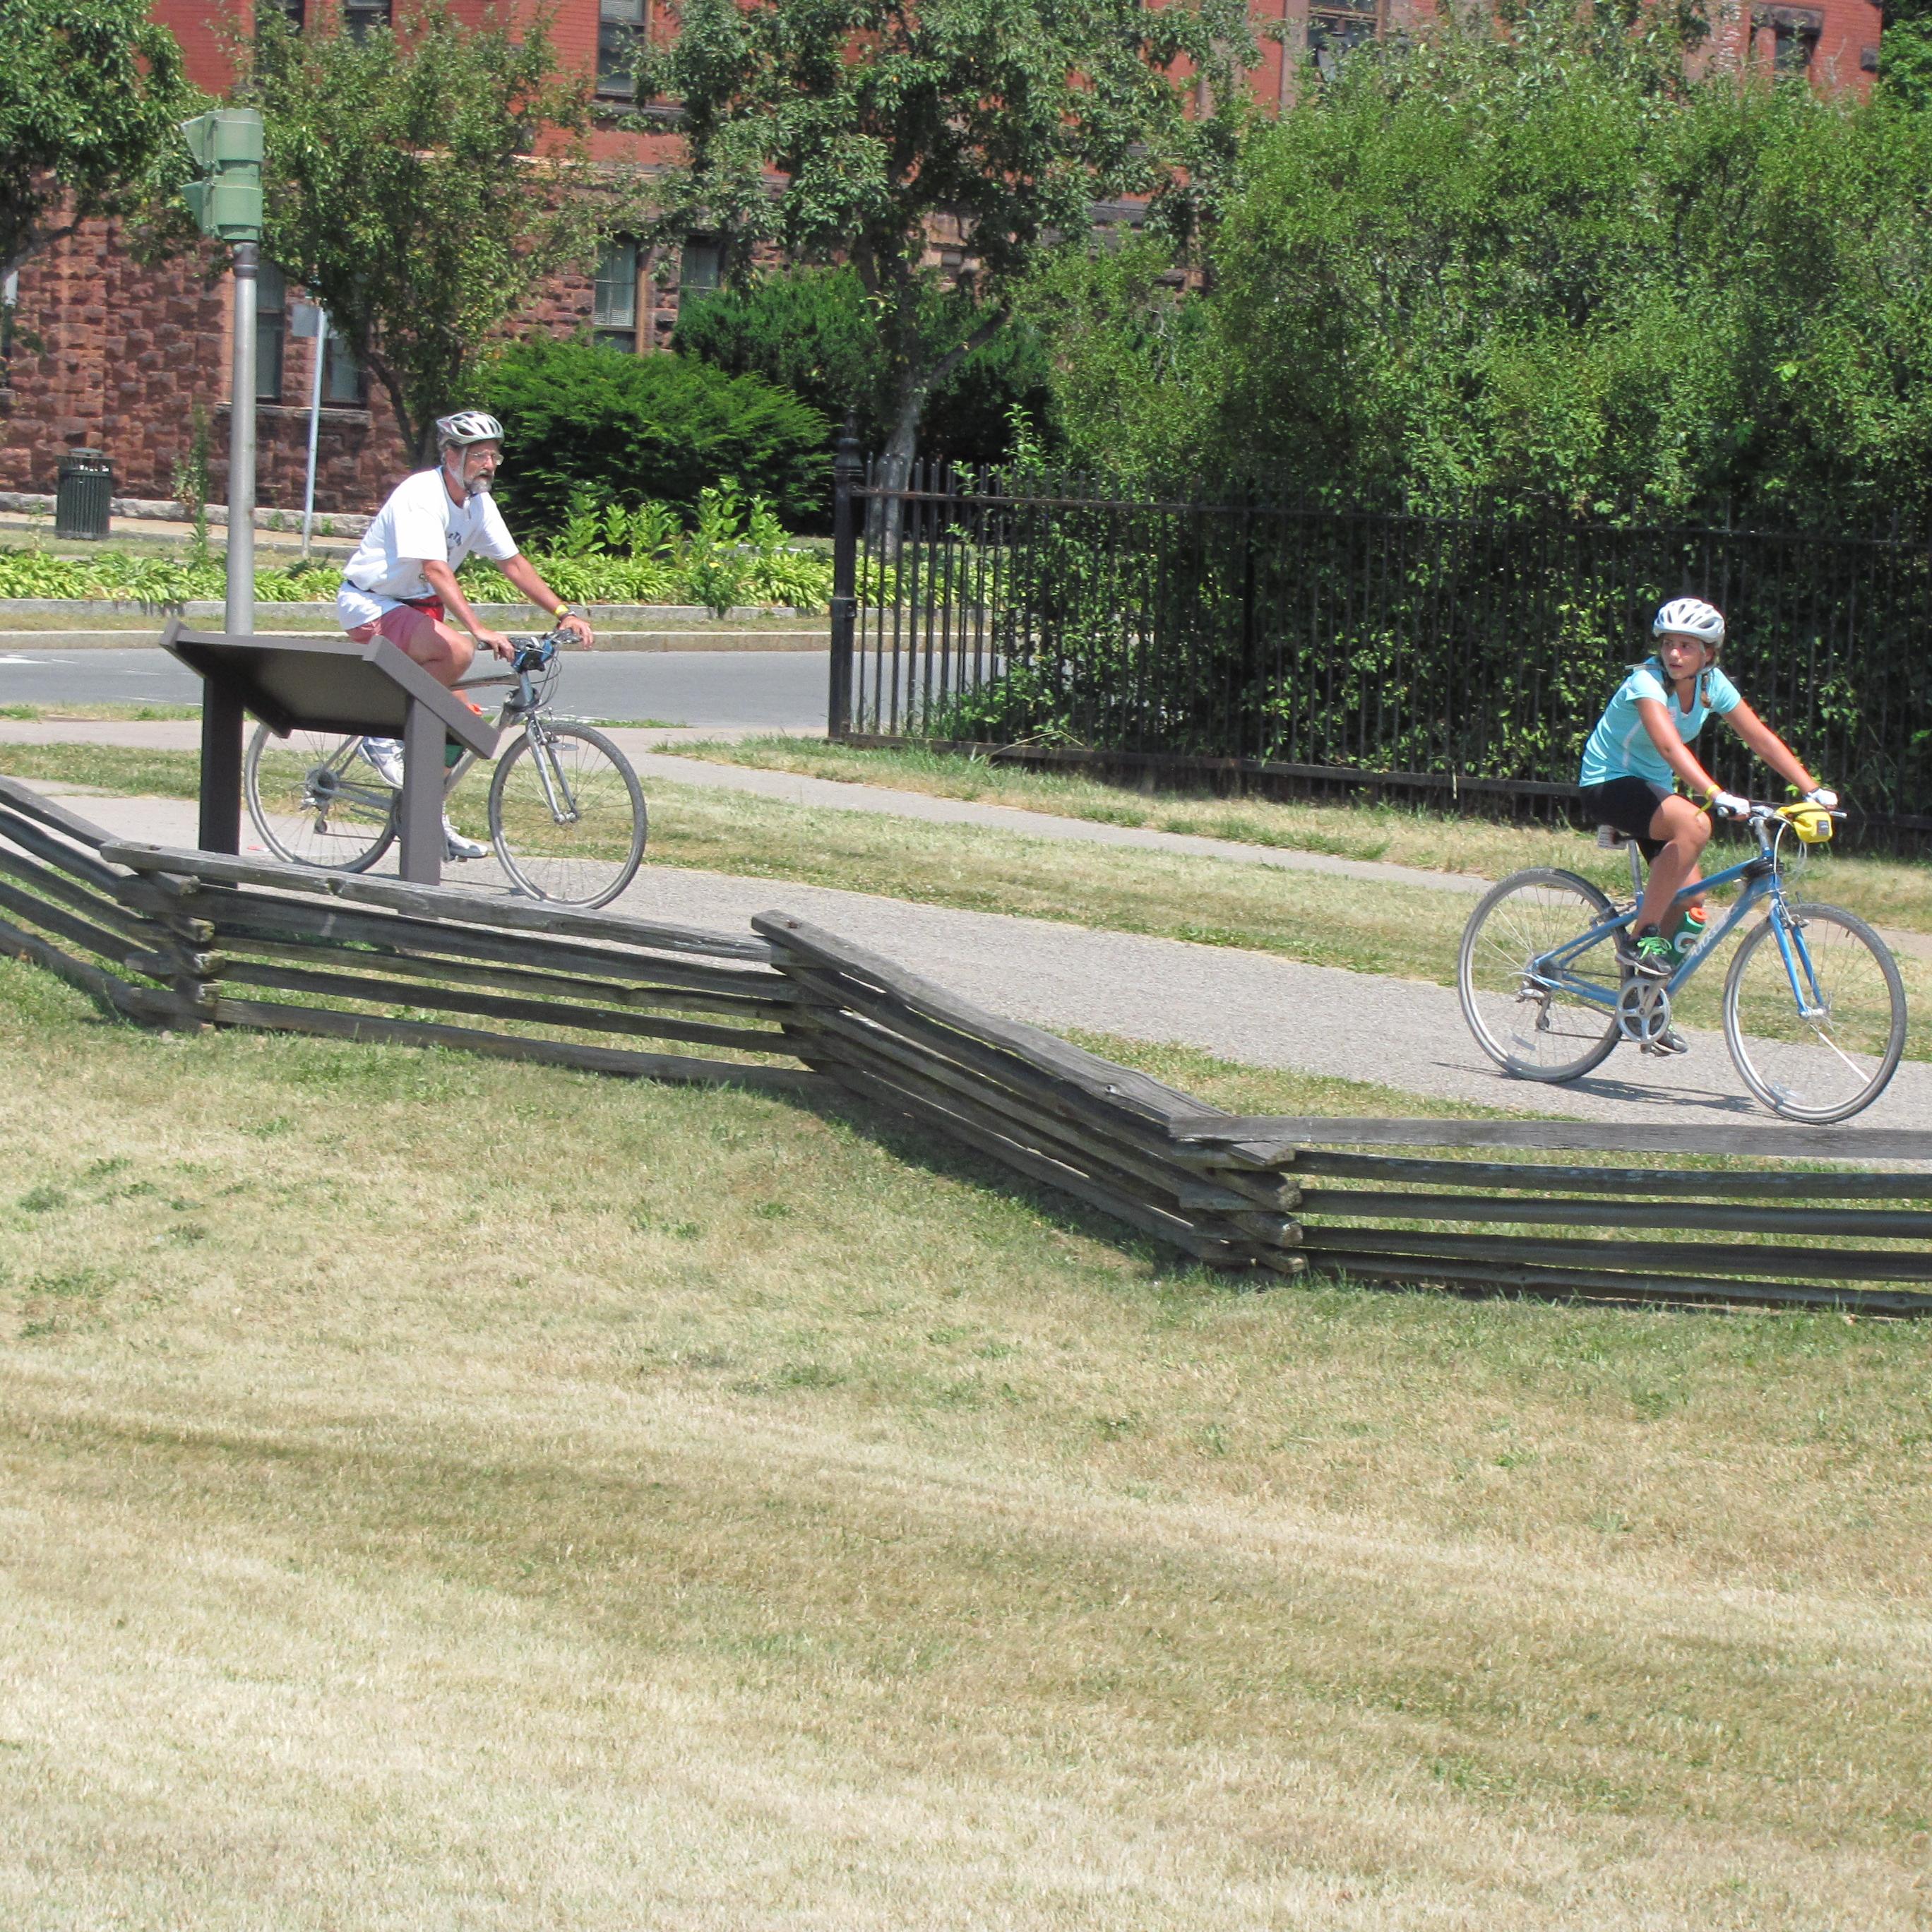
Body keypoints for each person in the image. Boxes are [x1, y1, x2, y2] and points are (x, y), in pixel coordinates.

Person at [1577, 596, 1837, 1053]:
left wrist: (1811, 789)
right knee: (1696, 826)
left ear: (1709, 654)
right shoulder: (1645, 682)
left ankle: (1641, 1003)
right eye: (1669, 644)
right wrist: (1715, 796)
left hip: (1652, 790)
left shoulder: (1711, 685)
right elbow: (1671, 747)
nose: (1675, 654)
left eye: (1687, 646)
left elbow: (1759, 736)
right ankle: (1641, 938)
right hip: (1610, 782)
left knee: (1694, 902)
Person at [336, 410, 595, 859]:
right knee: (457, 649)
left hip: (418, 610)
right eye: (479, 456)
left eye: (495, 456)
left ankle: (426, 818)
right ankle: (381, 734)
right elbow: (435, 569)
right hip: (371, 603)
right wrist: (477, 629)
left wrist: (562, 611)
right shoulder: (421, 494)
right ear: (452, 455)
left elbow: (512, 563)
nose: (489, 465)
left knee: (464, 727)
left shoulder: (479, 504)